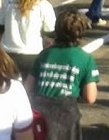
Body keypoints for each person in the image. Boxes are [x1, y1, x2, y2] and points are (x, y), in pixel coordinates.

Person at [25, 10, 99, 140]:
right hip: (66, 117)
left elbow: (28, 87)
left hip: (40, 115)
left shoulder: (45, 54)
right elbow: (90, 97)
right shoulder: (86, 59)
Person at [0, 0, 56, 80]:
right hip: (32, 53)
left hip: (8, 53)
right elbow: (51, 30)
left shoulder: (9, 2)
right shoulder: (43, 5)